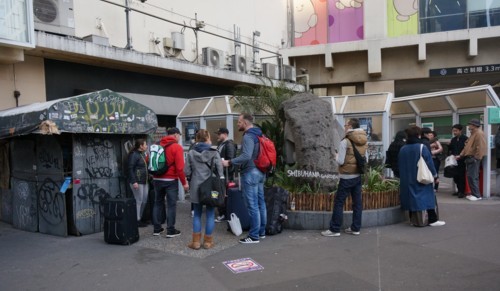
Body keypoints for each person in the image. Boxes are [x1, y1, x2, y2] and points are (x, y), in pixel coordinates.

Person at [222, 113, 266, 244]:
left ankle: (254, 236)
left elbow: (246, 156)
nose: (237, 124)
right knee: (260, 203)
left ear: (246, 123)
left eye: (239, 122)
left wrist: (229, 162)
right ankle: (261, 232)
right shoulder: (259, 134)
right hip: (260, 171)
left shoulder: (248, 136)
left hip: (251, 172)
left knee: (253, 205)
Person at [321, 118, 368, 237]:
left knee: (339, 202)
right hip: (357, 176)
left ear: (350, 126)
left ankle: (335, 229)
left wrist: (335, 156)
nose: (345, 126)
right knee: (357, 203)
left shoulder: (345, 142)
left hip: (346, 177)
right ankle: (355, 228)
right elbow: (365, 159)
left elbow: (341, 161)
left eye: (346, 124)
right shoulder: (364, 141)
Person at [398, 126, 445, 227]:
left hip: (407, 178)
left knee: (411, 198)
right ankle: (432, 219)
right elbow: (429, 162)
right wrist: (435, 176)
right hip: (420, 177)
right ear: (419, 135)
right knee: (427, 197)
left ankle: (413, 220)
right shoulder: (421, 147)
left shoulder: (403, 148)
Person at [184, 129, 223, 250]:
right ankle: (208, 242)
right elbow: (220, 171)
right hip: (211, 187)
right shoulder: (214, 152)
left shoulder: (191, 153)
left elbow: (187, 171)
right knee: (210, 214)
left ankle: (195, 242)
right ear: (207, 139)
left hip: (196, 186)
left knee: (197, 214)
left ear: (197, 139)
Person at [152, 127, 189, 237]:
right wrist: (184, 183)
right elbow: (180, 168)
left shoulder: (157, 145)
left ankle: (157, 229)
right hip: (170, 180)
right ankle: (170, 230)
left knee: (157, 203)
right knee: (171, 205)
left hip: (156, 179)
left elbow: (149, 160)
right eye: (179, 136)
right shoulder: (176, 147)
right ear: (176, 135)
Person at [458, 119, 487, 201]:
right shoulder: (474, 133)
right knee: (471, 176)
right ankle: (475, 194)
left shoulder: (478, 134)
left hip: (473, 158)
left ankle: (476, 195)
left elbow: (481, 147)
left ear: (474, 125)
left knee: (472, 176)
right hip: (471, 157)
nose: (469, 126)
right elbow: (467, 146)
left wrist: (477, 157)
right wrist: (461, 154)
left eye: (470, 124)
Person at [214, 127, 236, 223]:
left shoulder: (229, 144)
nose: (217, 136)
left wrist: (228, 174)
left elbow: (231, 160)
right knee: (221, 193)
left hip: (225, 174)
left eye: (219, 134)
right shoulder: (221, 144)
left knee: (223, 194)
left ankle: (224, 214)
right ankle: (222, 213)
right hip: (221, 173)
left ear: (225, 134)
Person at [127, 138, 149, 227]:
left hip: (144, 181)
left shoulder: (141, 154)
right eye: (145, 144)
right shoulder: (134, 155)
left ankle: (140, 217)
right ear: (141, 146)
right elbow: (130, 168)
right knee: (138, 201)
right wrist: (134, 181)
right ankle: (137, 220)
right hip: (137, 181)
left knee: (144, 200)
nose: (146, 146)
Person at [448, 124, 468, 198]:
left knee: (461, 176)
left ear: (460, 131)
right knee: (455, 176)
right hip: (454, 160)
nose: (454, 132)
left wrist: (461, 156)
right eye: (453, 131)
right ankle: (459, 190)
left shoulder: (465, 139)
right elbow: (451, 149)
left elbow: (466, 149)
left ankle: (462, 191)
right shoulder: (453, 139)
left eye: (456, 131)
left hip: (462, 160)